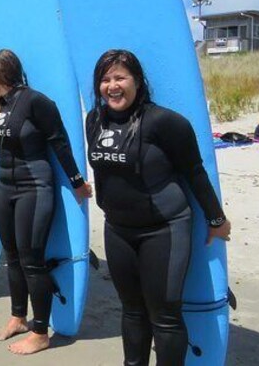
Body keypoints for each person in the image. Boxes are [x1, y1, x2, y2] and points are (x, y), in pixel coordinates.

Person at [86, 49, 231, 366]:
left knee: (164, 315)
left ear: (137, 81)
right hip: (117, 229)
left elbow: (194, 171)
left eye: (120, 77)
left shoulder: (165, 122)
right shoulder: (95, 119)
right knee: (132, 310)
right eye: (105, 79)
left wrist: (216, 218)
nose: (113, 85)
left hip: (163, 229)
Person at [0, 50, 92, 355]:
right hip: (4, 186)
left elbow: (59, 141)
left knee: (32, 260)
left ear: (0, 74)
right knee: (12, 256)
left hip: (33, 187)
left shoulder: (35, 101)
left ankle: (41, 331)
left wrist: (76, 181)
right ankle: (18, 317)